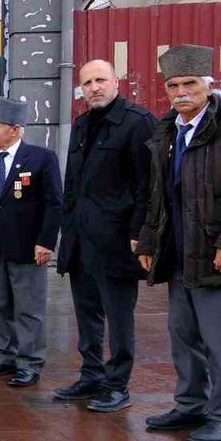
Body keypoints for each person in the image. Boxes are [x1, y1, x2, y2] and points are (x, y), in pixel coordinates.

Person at [135, 44, 221, 441]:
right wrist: (149, 241)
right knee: (184, 336)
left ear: (208, 85)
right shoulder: (168, 131)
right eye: (173, 85)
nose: (181, 92)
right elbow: (160, 195)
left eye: (190, 84)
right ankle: (191, 405)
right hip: (181, 255)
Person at [55, 60, 156, 412]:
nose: (94, 87)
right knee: (87, 313)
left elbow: (147, 186)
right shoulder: (82, 125)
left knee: (119, 317)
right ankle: (91, 375)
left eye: (101, 80)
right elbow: (72, 184)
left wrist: (139, 233)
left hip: (117, 241)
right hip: (81, 240)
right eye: (87, 82)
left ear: (116, 82)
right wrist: (67, 226)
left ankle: (117, 384)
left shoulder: (138, 123)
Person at [0, 98, 62, 388]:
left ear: (16, 129)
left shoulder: (41, 158)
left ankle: (30, 362)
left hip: (27, 248)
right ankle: (6, 355)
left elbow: (54, 203)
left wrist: (46, 242)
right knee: (1, 305)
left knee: (28, 309)